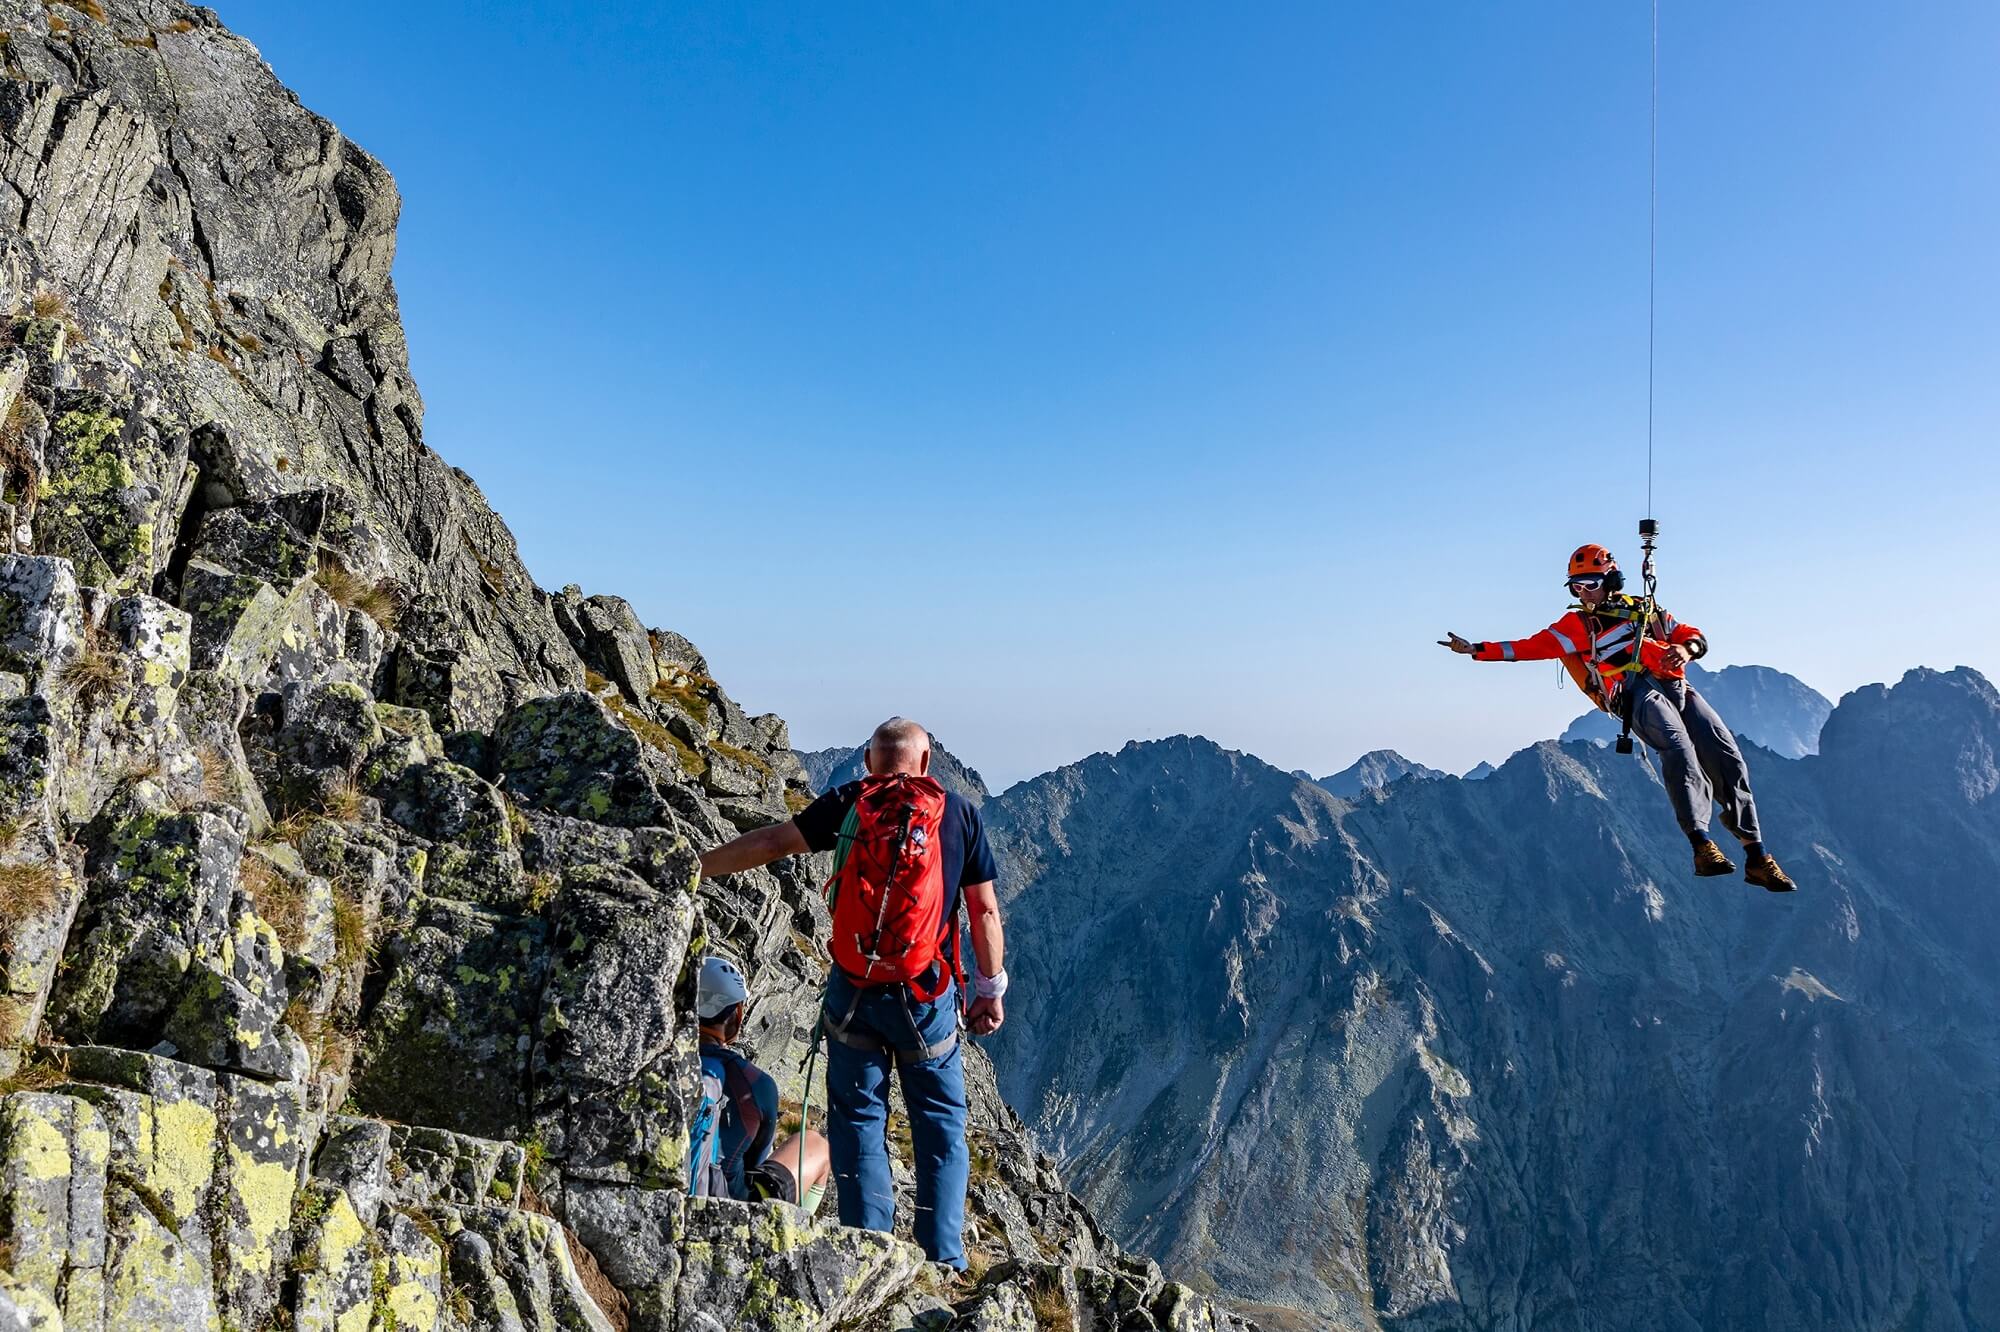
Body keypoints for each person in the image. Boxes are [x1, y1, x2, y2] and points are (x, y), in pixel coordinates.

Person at [698, 717, 1007, 1268]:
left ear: (869, 763)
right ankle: (944, 1258)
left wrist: (695, 869)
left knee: (858, 1118)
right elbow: (983, 910)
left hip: (854, 994)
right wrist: (990, 990)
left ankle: (869, 1251)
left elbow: (772, 842)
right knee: (939, 1123)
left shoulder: (850, 803)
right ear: (927, 762)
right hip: (924, 996)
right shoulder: (958, 815)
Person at [1441, 543, 1795, 892]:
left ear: (1611, 580)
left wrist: (1683, 649)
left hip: (1675, 687)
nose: (1583, 594)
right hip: (1633, 693)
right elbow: (1530, 647)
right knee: (1678, 747)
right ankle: (1701, 844)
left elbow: (1693, 636)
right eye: (1576, 587)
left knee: (1727, 756)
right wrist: (1476, 650)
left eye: (1590, 585)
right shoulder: (1577, 625)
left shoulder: (1646, 609)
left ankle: (1756, 855)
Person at [692, 955, 833, 1212]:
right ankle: (797, 1238)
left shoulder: (661, 1061)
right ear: (737, 1012)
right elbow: (755, 1163)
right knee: (815, 1144)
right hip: (730, 1206)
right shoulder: (756, 1083)